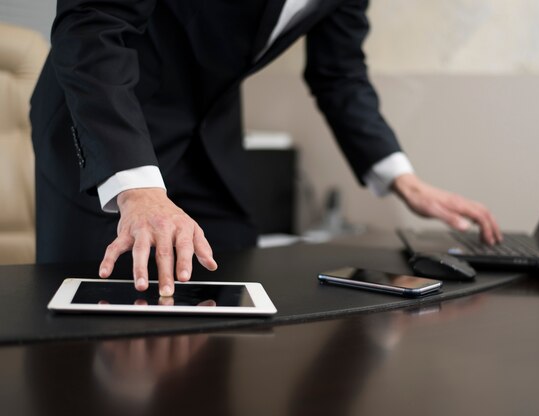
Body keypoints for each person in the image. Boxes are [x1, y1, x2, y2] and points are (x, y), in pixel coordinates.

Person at [31, 0, 501, 297]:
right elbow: (93, 24)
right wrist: (136, 189)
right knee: (94, 316)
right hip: (106, 125)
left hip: (209, 138)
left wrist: (404, 179)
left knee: (228, 310)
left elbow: (340, 73)